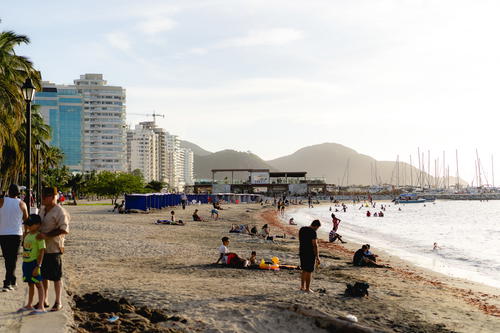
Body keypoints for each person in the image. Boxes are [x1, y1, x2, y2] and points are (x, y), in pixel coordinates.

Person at [37, 187, 70, 312]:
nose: (42, 199)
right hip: (42, 249)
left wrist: (47, 235)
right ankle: (43, 300)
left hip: (54, 248)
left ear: (51, 197)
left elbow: (64, 229)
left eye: (44, 197)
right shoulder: (43, 209)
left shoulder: (60, 211)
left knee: (56, 277)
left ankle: (58, 302)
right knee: (43, 276)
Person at [0, 184, 29, 292]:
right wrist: (26, 233)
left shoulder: (2, 201)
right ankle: (8, 282)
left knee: (8, 258)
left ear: (9, 191)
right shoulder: (22, 204)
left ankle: (11, 280)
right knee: (12, 258)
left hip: (3, 233)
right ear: (18, 193)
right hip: (17, 234)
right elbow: (26, 220)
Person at [18, 214, 46, 314]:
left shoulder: (39, 236)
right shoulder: (28, 235)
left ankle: (41, 306)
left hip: (34, 263)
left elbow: (42, 251)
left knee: (38, 284)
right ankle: (29, 304)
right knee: (30, 284)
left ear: (38, 224)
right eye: (27, 225)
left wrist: (38, 266)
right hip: (26, 263)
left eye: (30, 225)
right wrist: (26, 232)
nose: (28, 226)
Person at [299, 220, 321, 292]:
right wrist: (317, 256)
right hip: (310, 253)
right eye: (317, 228)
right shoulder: (313, 232)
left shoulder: (302, 229)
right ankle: (307, 288)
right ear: (316, 226)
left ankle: (302, 287)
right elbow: (315, 245)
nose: (317, 229)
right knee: (309, 271)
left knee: (304, 270)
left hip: (302, 251)